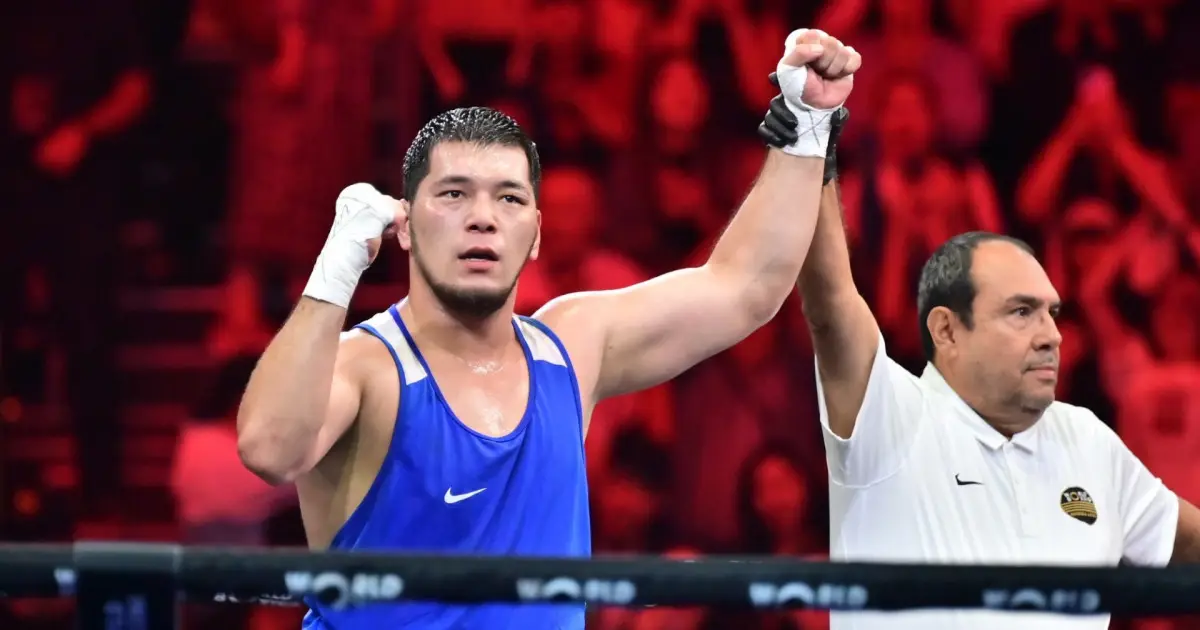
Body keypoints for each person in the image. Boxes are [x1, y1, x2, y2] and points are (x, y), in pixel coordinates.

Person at [236, 28, 862, 629]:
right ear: (404, 226)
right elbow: (269, 449)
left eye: (508, 198)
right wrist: (336, 266)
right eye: (453, 195)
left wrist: (807, 123)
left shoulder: (572, 345)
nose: (482, 218)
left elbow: (747, 287)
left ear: (535, 234)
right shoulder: (365, 366)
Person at [777, 101, 1200, 626]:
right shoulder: (891, 419)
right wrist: (810, 147)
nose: (1050, 336)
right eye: (1021, 313)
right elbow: (832, 305)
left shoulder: (1086, 438)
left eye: (1051, 313)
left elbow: (1183, 540)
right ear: (947, 330)